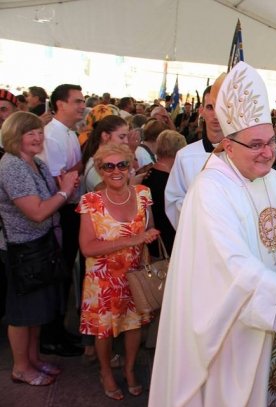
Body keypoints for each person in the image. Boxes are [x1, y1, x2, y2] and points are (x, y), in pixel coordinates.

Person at [149, 61, 276, 406]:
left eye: (271, 142)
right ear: (228, 146)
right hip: (231, 332)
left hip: (272, 317)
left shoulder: (271, 177)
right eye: (255, 144)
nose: (268, 152)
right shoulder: (210, 189)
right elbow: (229, 264)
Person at [0, 112, 79, 386]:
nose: (37, 137)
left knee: (36, 313)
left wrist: (62, 190)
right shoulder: (12, 166)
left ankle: (33, 360)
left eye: (38, 131)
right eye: (29, 132)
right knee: (22, 314)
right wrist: (65, 191)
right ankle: (21, 368)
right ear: (14, 136)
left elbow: (48, 202)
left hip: (40, 247)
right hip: (22, 250)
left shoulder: (36, 164)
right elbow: (36, 212)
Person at [77, 143, 160, 400]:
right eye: (108, 166)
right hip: (102, 281)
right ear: (100, 170)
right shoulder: (90, 201)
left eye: (122, 165)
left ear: (131, 166)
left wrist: (148, 238)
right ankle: (106, 372)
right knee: (104, 331)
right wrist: (132, 240)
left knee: (134, 326)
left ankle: (129, 368)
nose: (116, 171)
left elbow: (149, 230)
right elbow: (87, 247)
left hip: (134, 275)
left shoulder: (143, 194)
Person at [38, 83, 86, 357]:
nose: (82, 106)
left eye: (82, 101)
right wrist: (71, 174)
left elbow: (73, 172)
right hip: (59, 212)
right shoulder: (52, 136)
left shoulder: (68, 132)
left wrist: (72, 172)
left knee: (65, 273)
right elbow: (60, 180)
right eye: (77, 101)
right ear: (60, 104)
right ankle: (50, 335)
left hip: (70, 208)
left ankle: (58, 329)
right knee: (58, 274)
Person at [164, 85, 224, 229]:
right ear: (201, 111)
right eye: (210, 107)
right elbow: (173, 200)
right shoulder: (185, 156)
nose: (216, 115)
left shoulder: (242, 156)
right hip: (196, 235)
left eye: (222, 108)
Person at [142, 129, 186, 254]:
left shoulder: (148, 175)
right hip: (167, 244)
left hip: (154, 242)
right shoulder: (170, 182)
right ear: (178, 152)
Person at [81, 115, 129, 192]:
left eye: (127, 137)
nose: (126, 141)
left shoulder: (105, 161)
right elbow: (114, 200)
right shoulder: (97, 168)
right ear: (105, 136)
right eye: (121, 137)